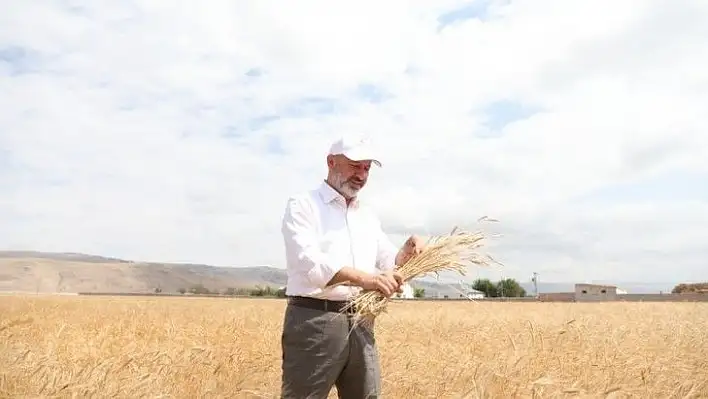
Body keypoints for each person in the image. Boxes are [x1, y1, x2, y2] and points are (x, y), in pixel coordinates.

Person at [279, 135, 424, 399]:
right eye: (355, 165)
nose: (361, 175)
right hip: (315, 320)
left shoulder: (366, 215)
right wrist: (367, 280)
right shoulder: (303, 206)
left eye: (367, 168)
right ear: (331, 162)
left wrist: (408, 250)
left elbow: (389, 260)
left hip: (362, 322)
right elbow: (308, 261)